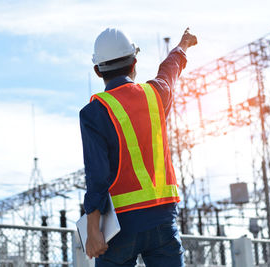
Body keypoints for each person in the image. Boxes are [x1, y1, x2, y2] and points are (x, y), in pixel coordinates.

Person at [79, 27, 197, 267]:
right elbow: (169, 71)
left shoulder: (94, 113)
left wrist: (93, 230)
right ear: (135, 62)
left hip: (120, 228)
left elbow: (97, 176)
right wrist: (182, 47)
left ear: (97, 70)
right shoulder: (156, 95)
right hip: (162, 220)